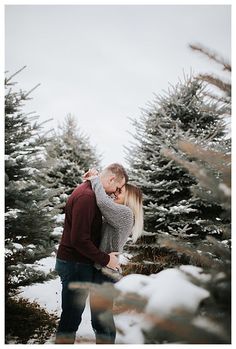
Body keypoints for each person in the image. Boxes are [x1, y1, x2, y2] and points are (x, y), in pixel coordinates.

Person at [55, 163, 128, 344]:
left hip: (78, 263)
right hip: (75, 264)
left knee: (72, 317)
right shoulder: (87, 197)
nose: (116, 193)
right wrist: (106, 260)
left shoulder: (90, 192)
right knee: (71, 319)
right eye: (117, 187)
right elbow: (79, 239)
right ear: (111, 179)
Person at [83, 168, 143, 344]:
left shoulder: (125, 214)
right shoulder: (120, 212)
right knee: (100, 317)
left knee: (101, 318)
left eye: (120, 191)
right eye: (117, 189)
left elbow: (102, 202)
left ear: (129, 198)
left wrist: (94, 179)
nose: (116, 193)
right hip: (105, 269)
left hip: (106, 273)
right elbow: (102, 201)